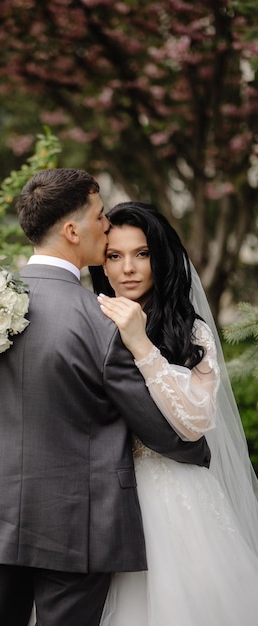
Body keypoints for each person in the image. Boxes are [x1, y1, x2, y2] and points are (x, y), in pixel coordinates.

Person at [0, 169, 210, 626]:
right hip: (80, 529)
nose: (106, 224)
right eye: (99, 216)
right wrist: (197, 450)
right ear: (73, 231)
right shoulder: (105, 323)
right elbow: (151, 424)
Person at [89, 201, 258, 626]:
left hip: (177, 496)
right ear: (101, 262)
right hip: (103, 494)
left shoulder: (191, 329)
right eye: (114, 255)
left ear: (160, 259)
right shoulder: (87, 320)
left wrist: (140, 343)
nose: (128, 268)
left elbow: (194, 422)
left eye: (141, 254)